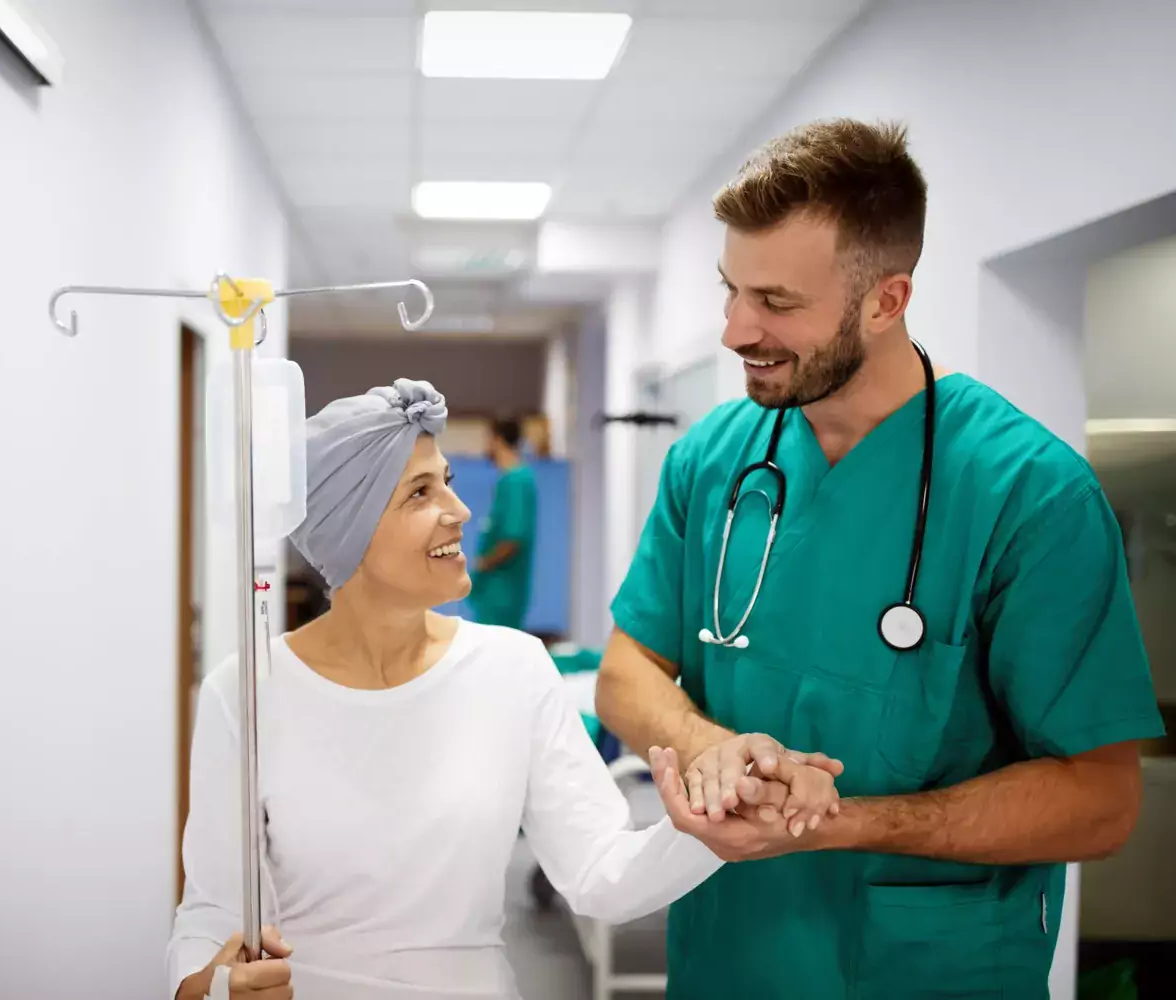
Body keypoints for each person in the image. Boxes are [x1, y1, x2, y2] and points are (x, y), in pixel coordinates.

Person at [595, 118, 1164, 999]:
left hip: (929, 970)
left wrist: (835, 822)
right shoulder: (714, 460)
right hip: (727, 956)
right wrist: (709, 748)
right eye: (731, 290)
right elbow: (626, 672)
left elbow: (1100, 800)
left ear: (887, 301)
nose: (735, 329)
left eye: (777, 303)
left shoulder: (1030, 493)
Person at [167, 380, 770, 1000]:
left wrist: (710, 825)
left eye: (447, 480)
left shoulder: (513, 669)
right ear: (350, 529)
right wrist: (206, 986)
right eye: (421, 493)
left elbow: (599, 874)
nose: (460, 511)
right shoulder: (246, 691)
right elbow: (212, 909)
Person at [468, 418, 538, 630]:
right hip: (496, 589)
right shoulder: (509, 480)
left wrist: (484, 563)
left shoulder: (516, 480)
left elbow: (512, 537)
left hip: (502, 589)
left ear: (496, 440)